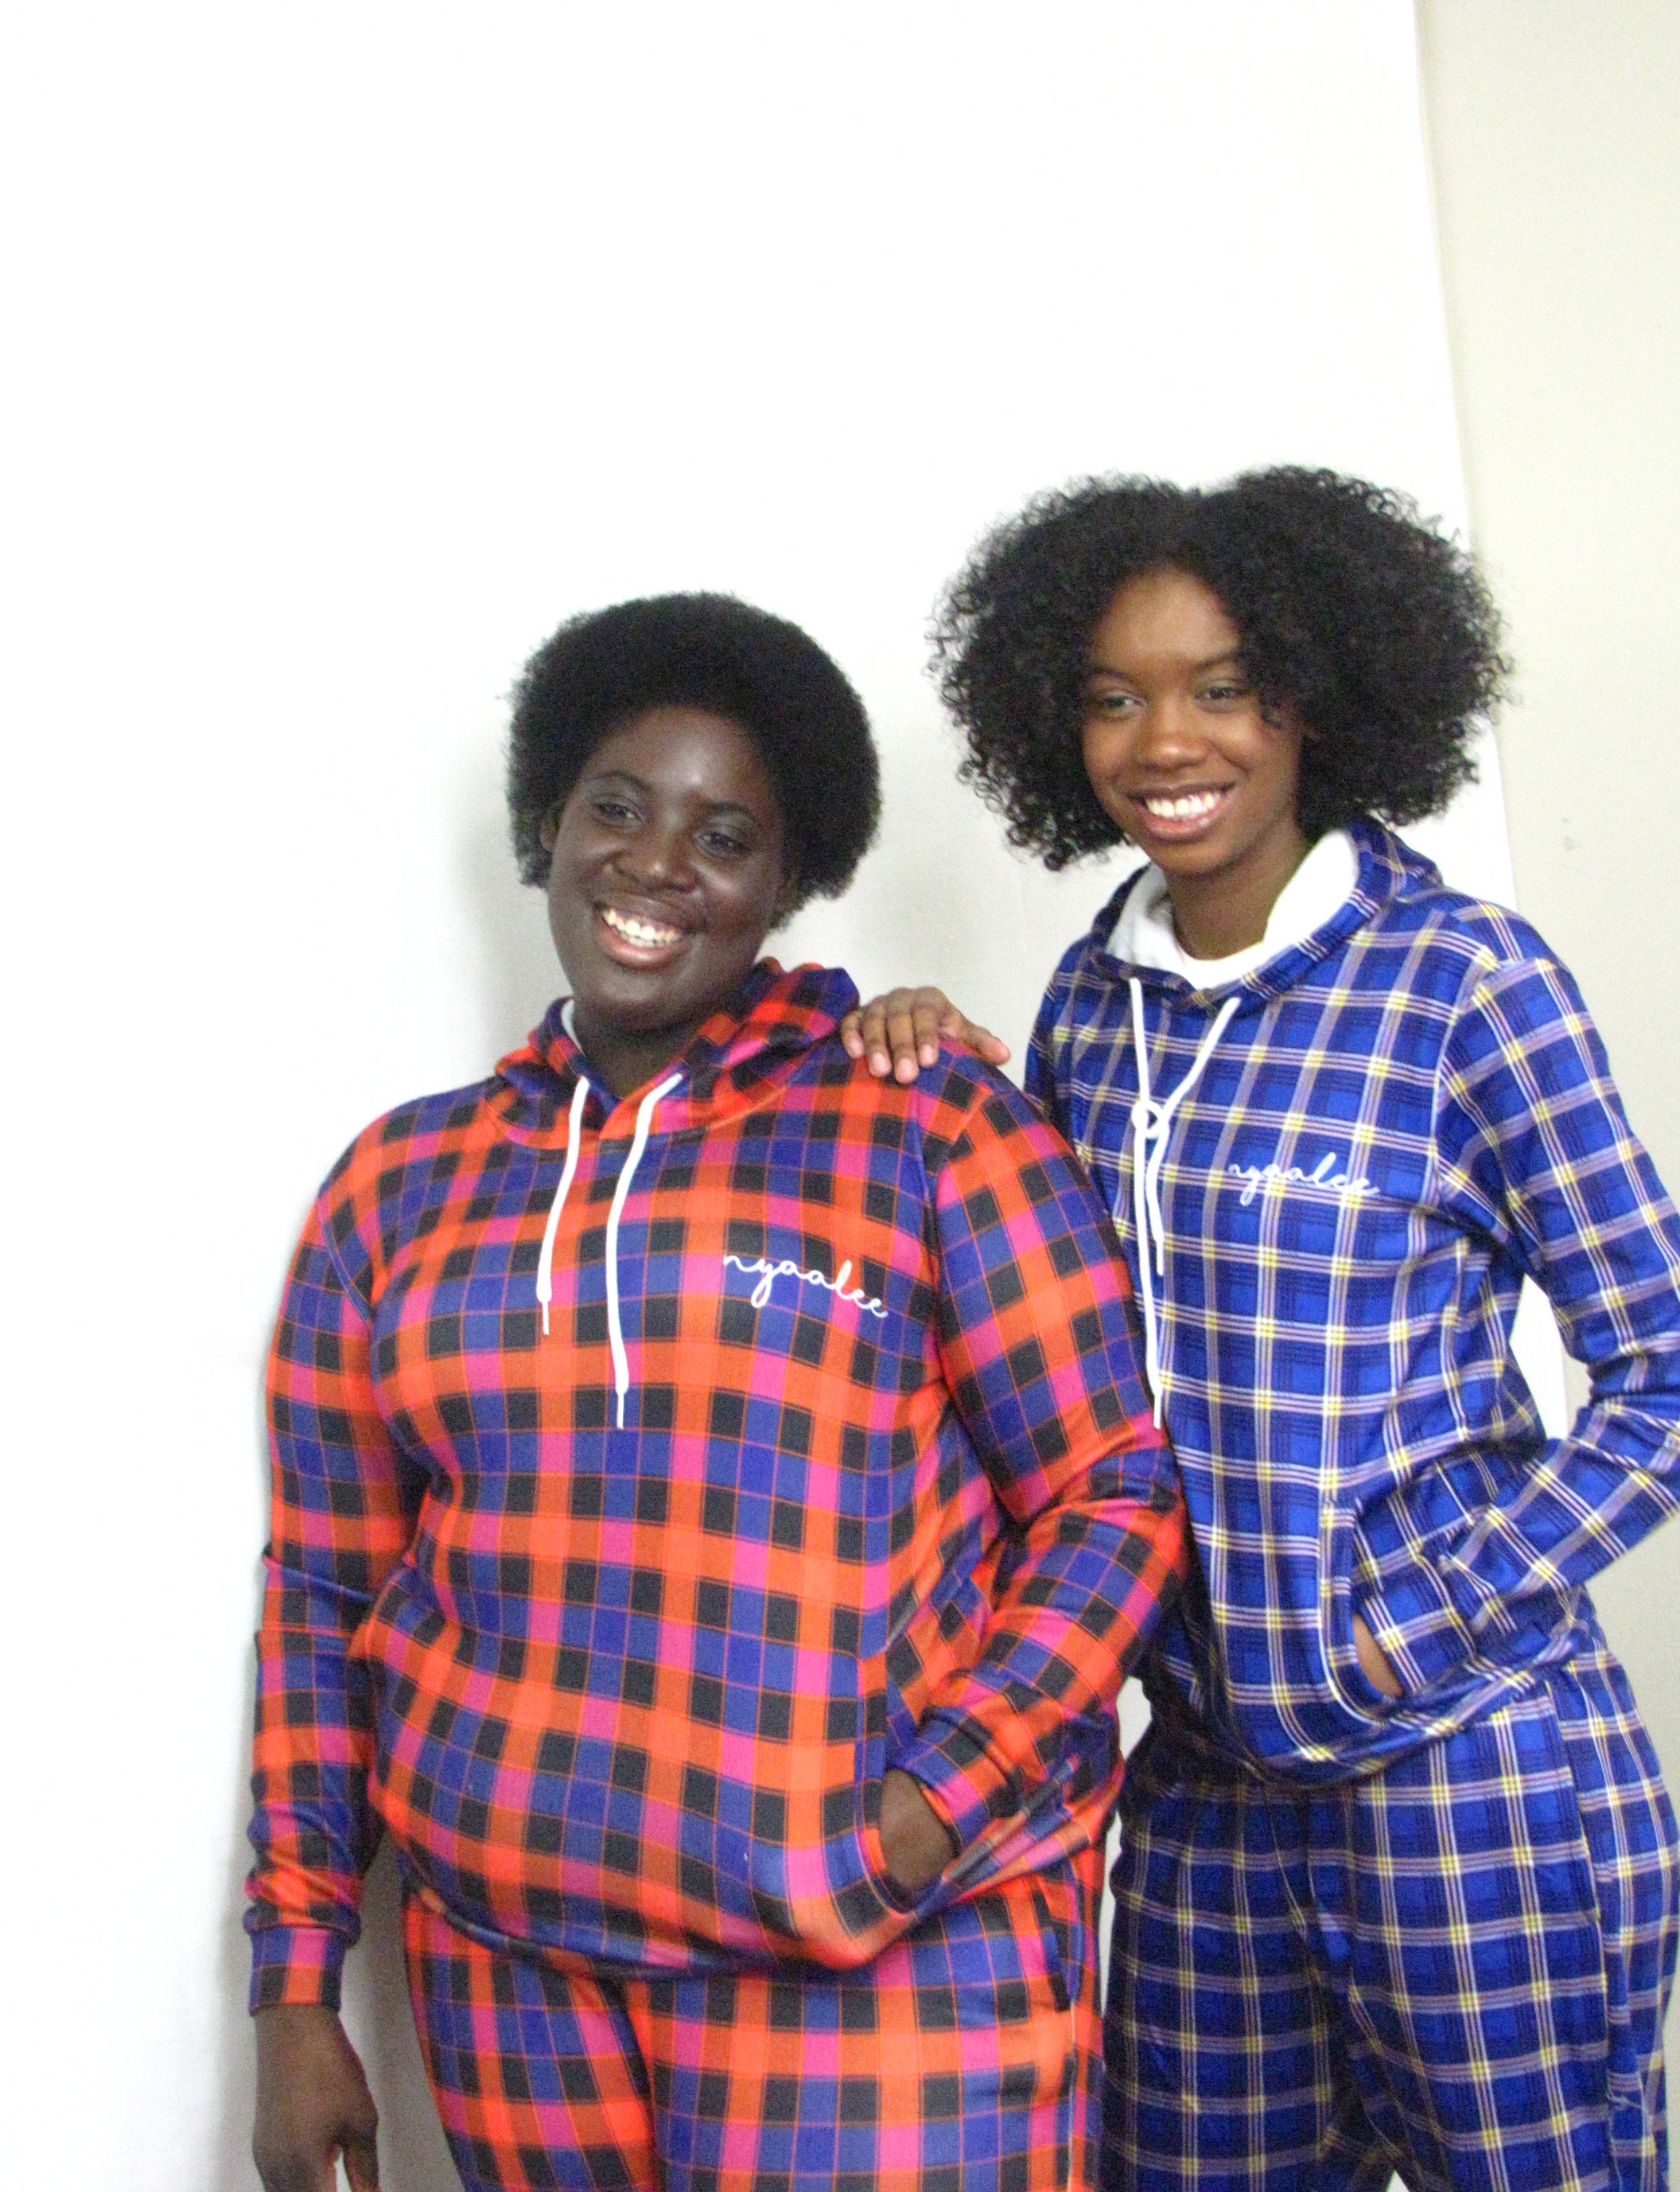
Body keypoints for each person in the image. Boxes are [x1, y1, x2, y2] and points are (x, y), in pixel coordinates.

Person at [245, 590, 1189, 2192]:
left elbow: (1113, 1492)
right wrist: (294, 1984)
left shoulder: (924, 1122)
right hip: (515, 1980)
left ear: (787, 882)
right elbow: (328, 1581)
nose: (657, 864)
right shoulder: (402, 1185)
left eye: (724, 833)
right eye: (617, 807)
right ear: (548, 823)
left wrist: (927, 1808)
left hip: (887, 1964)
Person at [842, 469, 1680, 2192]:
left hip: (1465, 1778)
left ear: (1319, 695)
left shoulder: (1463, 982)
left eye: (1223, 687)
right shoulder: (1088, 1001)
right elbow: (1066, 1351)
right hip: (1207, 1787)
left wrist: (1423, 1618)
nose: (1166, 739)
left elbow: (1665, 1368)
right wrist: (939, 1052)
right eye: (1113, 695)